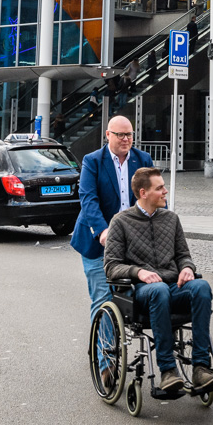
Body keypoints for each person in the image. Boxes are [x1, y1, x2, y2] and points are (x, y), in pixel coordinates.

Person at [103, 166, 213, 396]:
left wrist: (187, 268)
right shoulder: (120, 222)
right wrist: (139, 272)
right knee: (159, 290)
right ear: (143, 193)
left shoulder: (171, 219)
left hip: (173, 286)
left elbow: (183, 255)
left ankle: (201, 368)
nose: (165, 191)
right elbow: (111, 266)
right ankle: (168, 371)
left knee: (201, 287)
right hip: (143, 292)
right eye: (160, 188)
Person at [72, 115, 153, 327]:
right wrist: (102, 230)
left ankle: (120, 340)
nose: (126, 139)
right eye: (120, 135)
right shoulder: (93, 161)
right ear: (108, 135)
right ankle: (104, 349)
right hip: (98, 243)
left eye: (129, 135)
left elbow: (153, 197)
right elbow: (88, 199)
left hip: (132, 243)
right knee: (103, 298)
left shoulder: (143, 160)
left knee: (131, 298)